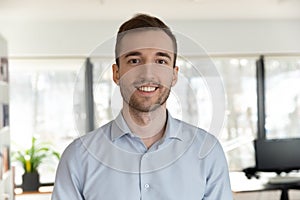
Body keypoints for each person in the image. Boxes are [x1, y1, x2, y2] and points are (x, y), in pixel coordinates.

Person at [52, 13, 233, 200]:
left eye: (161, 61)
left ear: (174, 74)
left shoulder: (208, 152)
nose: (147, 73)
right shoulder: (78, 157)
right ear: (116, 73)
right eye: (134, 61)